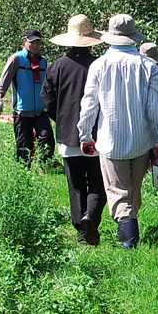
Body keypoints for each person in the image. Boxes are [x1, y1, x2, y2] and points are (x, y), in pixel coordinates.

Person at [77, 14, 158, 249]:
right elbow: (156, 106)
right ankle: (130, 232)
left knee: (118, 190)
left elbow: (89, 104)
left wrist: (85, 134)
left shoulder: (98, 65)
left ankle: (129, 240)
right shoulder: (149, 66)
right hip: (141, 139)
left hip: (110, 139)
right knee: (133, 189)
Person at [42, 14, 105, 246]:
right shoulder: (100, 65)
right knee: (98, 182)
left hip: (68, 135)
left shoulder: (56, 67)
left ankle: (81, 232)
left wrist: (61, 118)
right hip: (97, 135)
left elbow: (46, 99)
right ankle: (92, 217)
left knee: (76, 185)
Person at [0, 28, 54, 165]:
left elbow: (47, 84)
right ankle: (23, 171)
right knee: (24, 145)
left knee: (47, 139)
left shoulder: (43, 61)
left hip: (40, 110)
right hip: (22, 111)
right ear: (25, 42)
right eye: (32, 42)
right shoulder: (16, 59)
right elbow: (5, 78)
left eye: (38, 42)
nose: (35, 45)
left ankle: (44, 167)